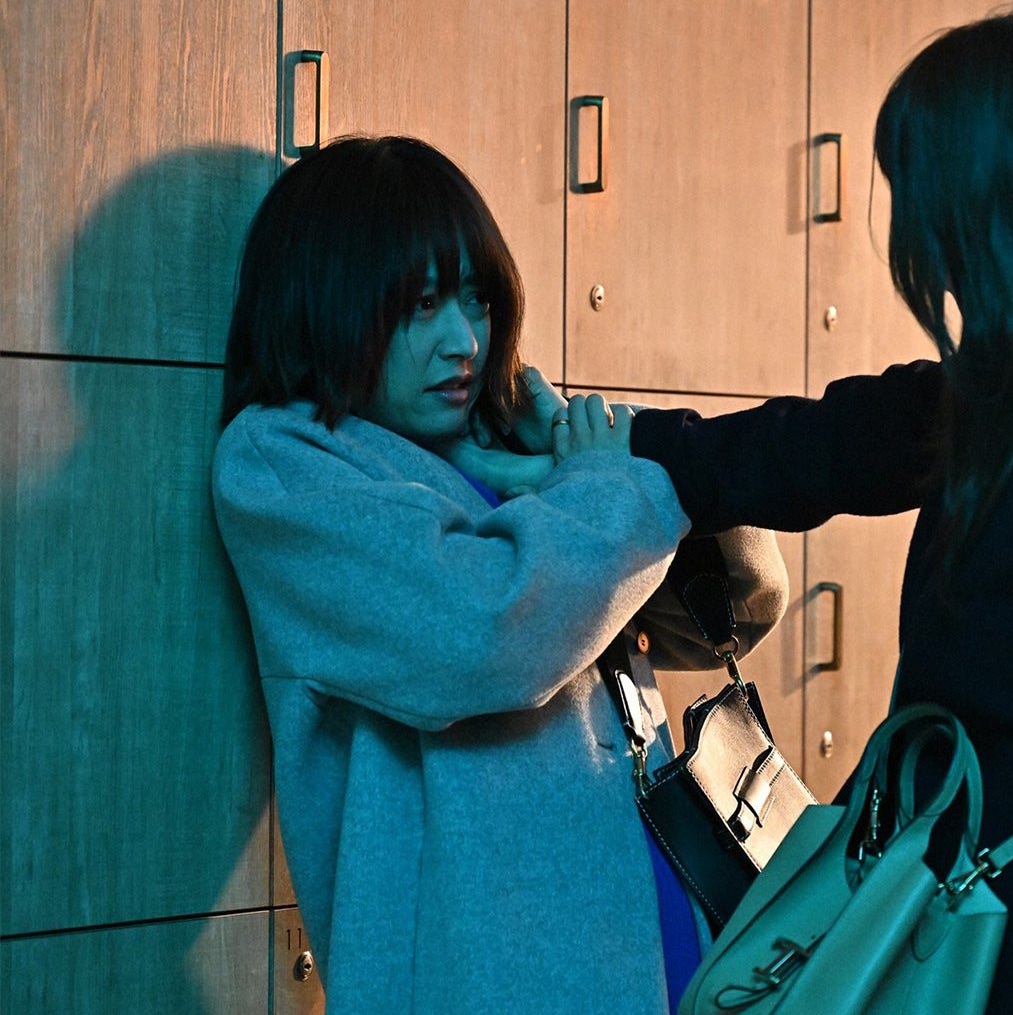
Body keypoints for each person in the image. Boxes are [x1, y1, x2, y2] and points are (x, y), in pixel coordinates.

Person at [508, 8, 1013, 1014]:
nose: (917, 235)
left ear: (1008, 205)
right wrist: (598, 444)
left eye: (925, 193)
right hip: (966, 948)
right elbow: (821, 446)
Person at [211, 135, 788, 1015]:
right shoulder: (285, 464)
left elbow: (731, 611)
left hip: (661, 950)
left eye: (476, 299)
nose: (465, 341)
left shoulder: (497, 444)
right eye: (422, 304)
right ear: (330, 299)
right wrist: (609, 481)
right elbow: (483, 631)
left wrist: (597, 454)